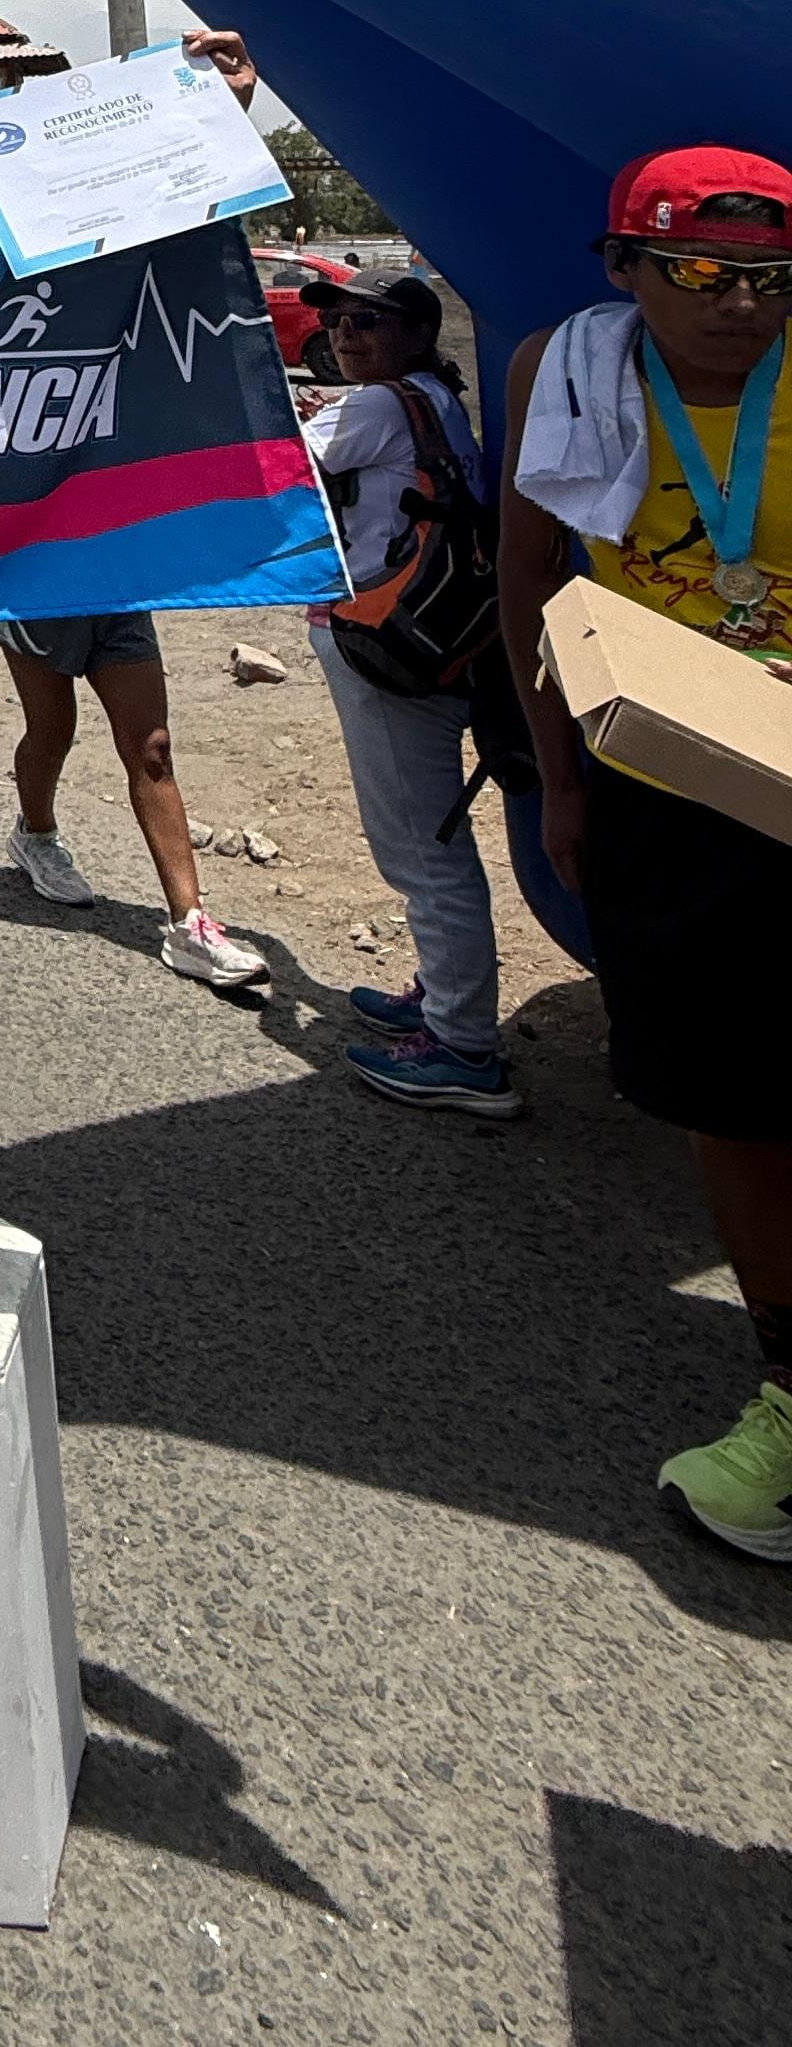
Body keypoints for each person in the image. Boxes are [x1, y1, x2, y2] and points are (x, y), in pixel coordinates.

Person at [500, 145, 792, 1561]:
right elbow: (530, 583)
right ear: (626, 270)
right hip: (668, 782)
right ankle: (790, 1392)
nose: (738, 306)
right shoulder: (569, 373)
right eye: (699, 274)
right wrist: (558, 778)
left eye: (767, 280)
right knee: (721, 1094)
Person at [299, 272, 523, 1117]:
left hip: (386, 641)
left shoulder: (382, 405)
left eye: (369, 322)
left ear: (417, 334)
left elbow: (283, 462)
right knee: (428, 836)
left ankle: (465, 1046)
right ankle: (439, 996)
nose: (349, 334)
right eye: (343, 322)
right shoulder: (430, 396)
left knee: (422, 853)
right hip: (433, 639)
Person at [0, 614, 269, 995]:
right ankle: (36, 836)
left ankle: (188, 924)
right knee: (52, 730)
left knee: (153, 748)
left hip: (120, 592)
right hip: (43, 588)